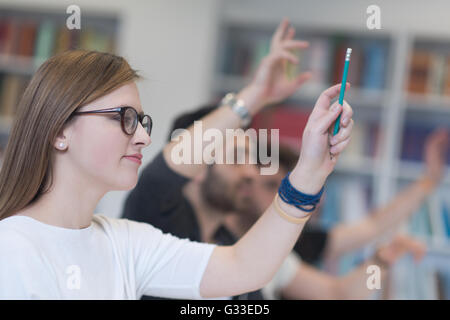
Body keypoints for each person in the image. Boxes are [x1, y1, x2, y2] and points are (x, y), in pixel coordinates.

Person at [0, 18, 354, 299]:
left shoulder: (124, 242)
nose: (144, 136)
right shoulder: (12, 250)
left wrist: (309, 172)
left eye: (141, 121)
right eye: (123, 118)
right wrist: (255, 96)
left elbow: (244, 268)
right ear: (59, 131)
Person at [223, 136, 448, 299]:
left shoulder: (279, 253)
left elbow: (340, 294)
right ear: (244, 186)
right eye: (270, 186)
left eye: (285, 187)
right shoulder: (213, 244)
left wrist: (380, 263)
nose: (281, 198)